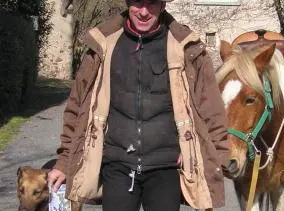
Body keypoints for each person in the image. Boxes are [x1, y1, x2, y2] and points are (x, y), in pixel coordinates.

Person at [48, 0, 229, 210]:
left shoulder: (187, 48)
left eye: (151, 4)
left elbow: (211, 109)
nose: (143, 12)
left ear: (163, 6)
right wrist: (63, 162)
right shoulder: (102, 45)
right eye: (137, 3)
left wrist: (219, 158)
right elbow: (76, 107)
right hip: (117, 165)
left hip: (167, 166)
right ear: (127, 3)